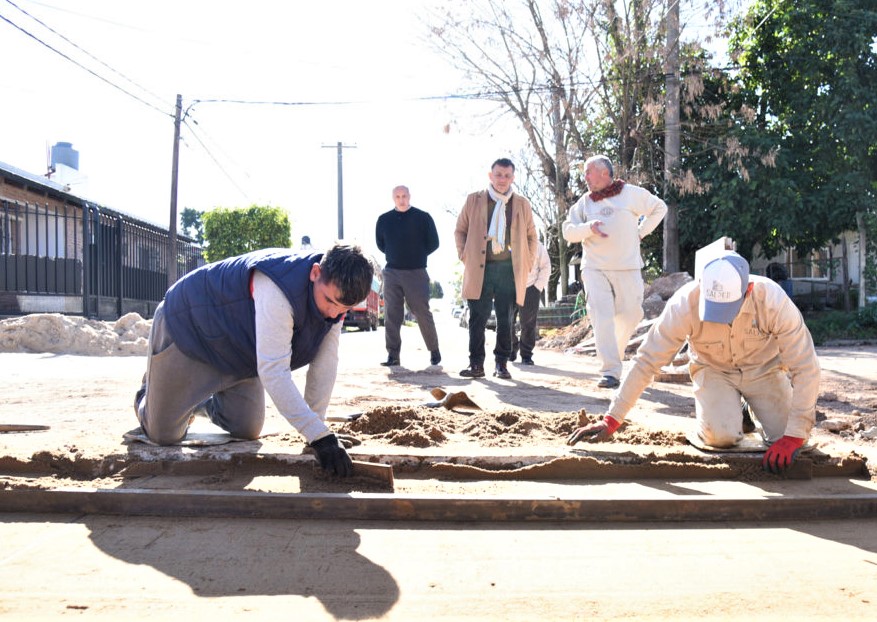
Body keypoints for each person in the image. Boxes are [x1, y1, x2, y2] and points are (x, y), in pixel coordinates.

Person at [566, 251, 821, 475]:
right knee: (720, 438)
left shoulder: (773, 301)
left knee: (788, 436)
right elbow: (647, 361)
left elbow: (806, 368)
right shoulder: (685, 303)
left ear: (749, 290)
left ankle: (747, 408)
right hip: (714, 371)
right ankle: (730, 412)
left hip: (764, 371)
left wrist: (794, 435)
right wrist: (612, 419)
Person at [134, 243, 375, 478]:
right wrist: (319, 435)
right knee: (163, 435)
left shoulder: (335, 299)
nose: (334, 314)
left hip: (238, 350)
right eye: (330, 302)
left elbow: (325, 362)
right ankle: (149, 391)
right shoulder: (278, 287)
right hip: (191, 330)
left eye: (344, 308)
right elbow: (274, 372)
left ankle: (194, 401)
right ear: (315, 273)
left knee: (246, 429)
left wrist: (318, 433)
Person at [562, 155, 667, 389]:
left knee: (631, 315)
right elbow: (568, 231)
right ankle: (610, 371)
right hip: (594, 268)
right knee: (602, 315)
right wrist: (588, 228)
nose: (585, 177)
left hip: (628, 266)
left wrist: (641, 231)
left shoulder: (630, 193)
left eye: (589, 172)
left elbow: (659, 207)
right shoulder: (584, 203)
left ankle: (615, 354)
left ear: (604, 173)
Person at [454, 157, 537, 379]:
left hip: (509, 270)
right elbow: (460, 230)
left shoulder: (521, 204)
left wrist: (527, 262)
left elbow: (531, 237)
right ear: (490, 176)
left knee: (506, 319)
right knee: (477, 319)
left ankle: (502, 364)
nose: (502, 180)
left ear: (513, 178)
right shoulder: (474, 200)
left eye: (507, 176)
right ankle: (476, 365)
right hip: (480, 269)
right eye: (498, 175)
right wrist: (464, 255)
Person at [375, 185, 442, 367]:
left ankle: (434, 351)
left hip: (416, 272)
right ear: (393, 198)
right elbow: (381, 244)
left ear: (409, 196)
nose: (401, 199)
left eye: (404, 196)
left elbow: (434, 243)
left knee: (422, 312)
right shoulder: (384, 220)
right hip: (392, 272)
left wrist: (416, 255)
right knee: (391, 314)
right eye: (397, 196)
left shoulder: (423, 218)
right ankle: (393, 356)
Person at [510, 239, 551, 366]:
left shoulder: (537, 245)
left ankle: (526, 354)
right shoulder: (507, 241)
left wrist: (537, 287)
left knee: (528, 324)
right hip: (509, 287)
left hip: (531, 287)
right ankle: (511, 348)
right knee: (505, 322)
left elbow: (546, 266)